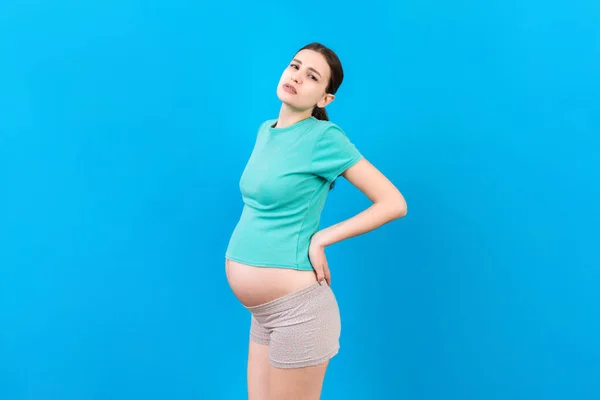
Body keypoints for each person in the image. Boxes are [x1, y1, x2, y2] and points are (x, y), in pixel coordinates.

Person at [224, 42, 407, 400]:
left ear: (325, 99)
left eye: (312, 76)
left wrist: (321, 238)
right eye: (295, 66)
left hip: (298, 313)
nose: (296, 76)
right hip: (263, 313)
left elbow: (393, 202)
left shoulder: (325, 138)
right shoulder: (267, 130)